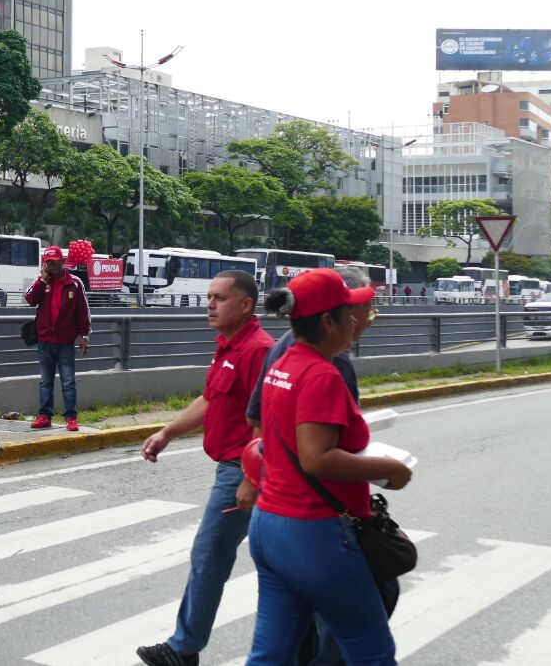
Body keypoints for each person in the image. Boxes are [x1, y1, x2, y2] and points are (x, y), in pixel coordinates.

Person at [245, 269, 412, 665]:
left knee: (271, 653)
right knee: (371, 649)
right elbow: (316, 457)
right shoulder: (323, 374)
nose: (357, 320)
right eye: (348, 312)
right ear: (327, 321)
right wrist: (390, 468)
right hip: (314, 531)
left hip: (271, 525)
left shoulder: (281, 366)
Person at [136, 270, 274, 666]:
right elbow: (210, 399)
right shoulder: (230, 347)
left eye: (220, 298)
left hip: (242, 471)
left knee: (211, 555)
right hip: (231, 469)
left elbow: (265, 423)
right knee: (216, 556)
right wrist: (167, 432)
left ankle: (184, 648)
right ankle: (187, 646)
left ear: (246, 305)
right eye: (208, 296)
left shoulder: (257, 351)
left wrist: (251, 477)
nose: (209, 304)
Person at [24, 246, 91, 432]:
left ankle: (71, 417)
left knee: (68, 381)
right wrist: (41, 279)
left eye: (54, 262)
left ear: (62, 261)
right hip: (45, 341)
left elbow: (83, 312)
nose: (51, 266)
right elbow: (29, 298)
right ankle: (44, 415)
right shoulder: (43, 282)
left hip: (65, 343)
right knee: (45, 381)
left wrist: (84, 336)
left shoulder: (75, 283)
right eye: (48, 263)